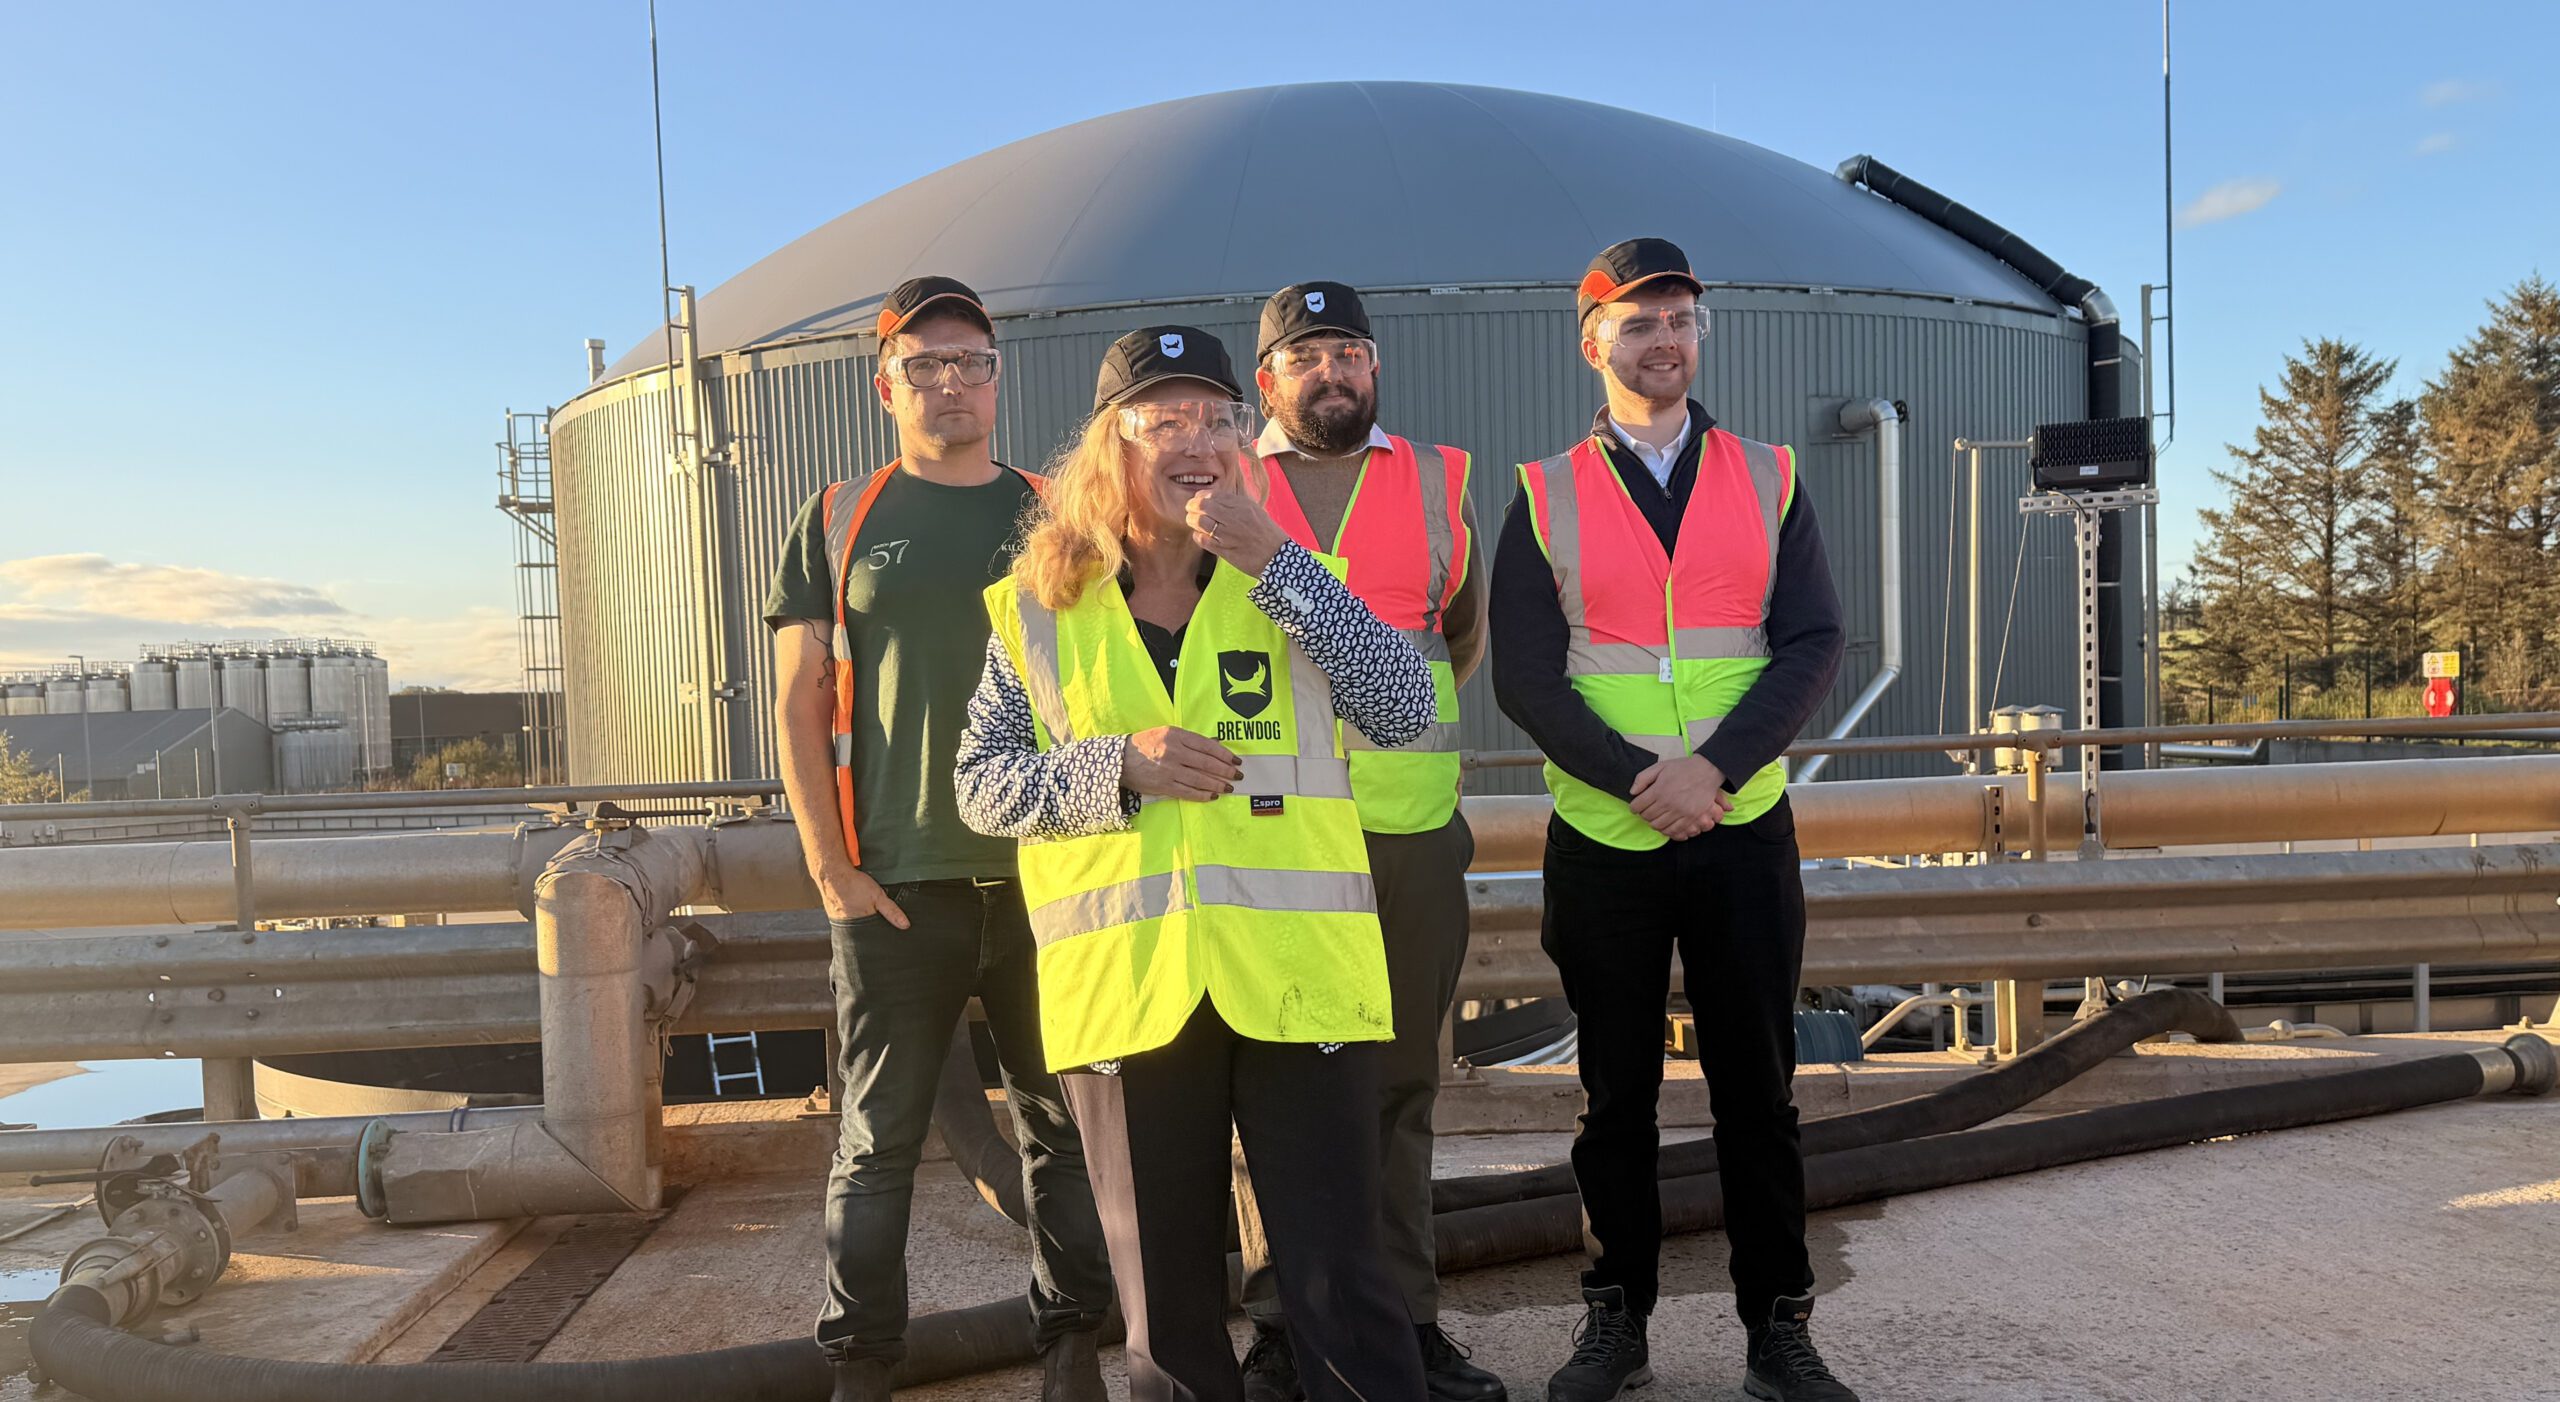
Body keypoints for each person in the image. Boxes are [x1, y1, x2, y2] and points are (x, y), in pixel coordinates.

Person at [954, 324, 1436, 1402]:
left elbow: (1406, 710)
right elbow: (980, 789)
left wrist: (1278, 562)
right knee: (1168, 1311)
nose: (1197, 442)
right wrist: (1117, 764)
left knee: (1340, 1281)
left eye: (1216, 419)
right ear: (1108, 450)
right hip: (1130, 994)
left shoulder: (1294, 578)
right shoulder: (1037, 608)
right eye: (1162, 420)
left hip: (1295, 977)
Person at [1488, 239, 1854, 1402]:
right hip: (1606, 834)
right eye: (1638, 323)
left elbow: (1809, 642)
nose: (1663, 340)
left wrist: (1715, 769)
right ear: (1591, 341)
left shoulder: (1770, 474)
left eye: (1680, 320)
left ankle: (1777, 1328)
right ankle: (1616, 1320)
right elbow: (1528, 678)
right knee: (1614, 1096)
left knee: (1760, 1087)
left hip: (1740, 822)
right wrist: (1640, 777)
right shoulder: (1542, 492)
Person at [764, 275, 1113, 1402]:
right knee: (878, 1141)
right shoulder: (837, 519)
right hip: (898, 882)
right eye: (924, 365)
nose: (950, 383)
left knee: (1063, 1128)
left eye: (970, 362)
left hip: (1051, 873)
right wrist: (830, 869)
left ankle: (1070, 1350)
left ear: (998, 378)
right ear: (885, 386)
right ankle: (861, 1368)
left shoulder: (1060, 512)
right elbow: (799, 702)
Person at [1229, 281, 1504, 1402]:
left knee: (1399, 1091)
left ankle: (1405, 1320)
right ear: (1268, 380)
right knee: (1270, 1095)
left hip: (1405, 836)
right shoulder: (1220, 482)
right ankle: (1280, 1327)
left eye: (1347, 350)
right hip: (1268, 844)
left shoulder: (1439, 480)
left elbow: (1461, 639)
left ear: (1373, 368)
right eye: (1306, 354)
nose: (1330, 370)